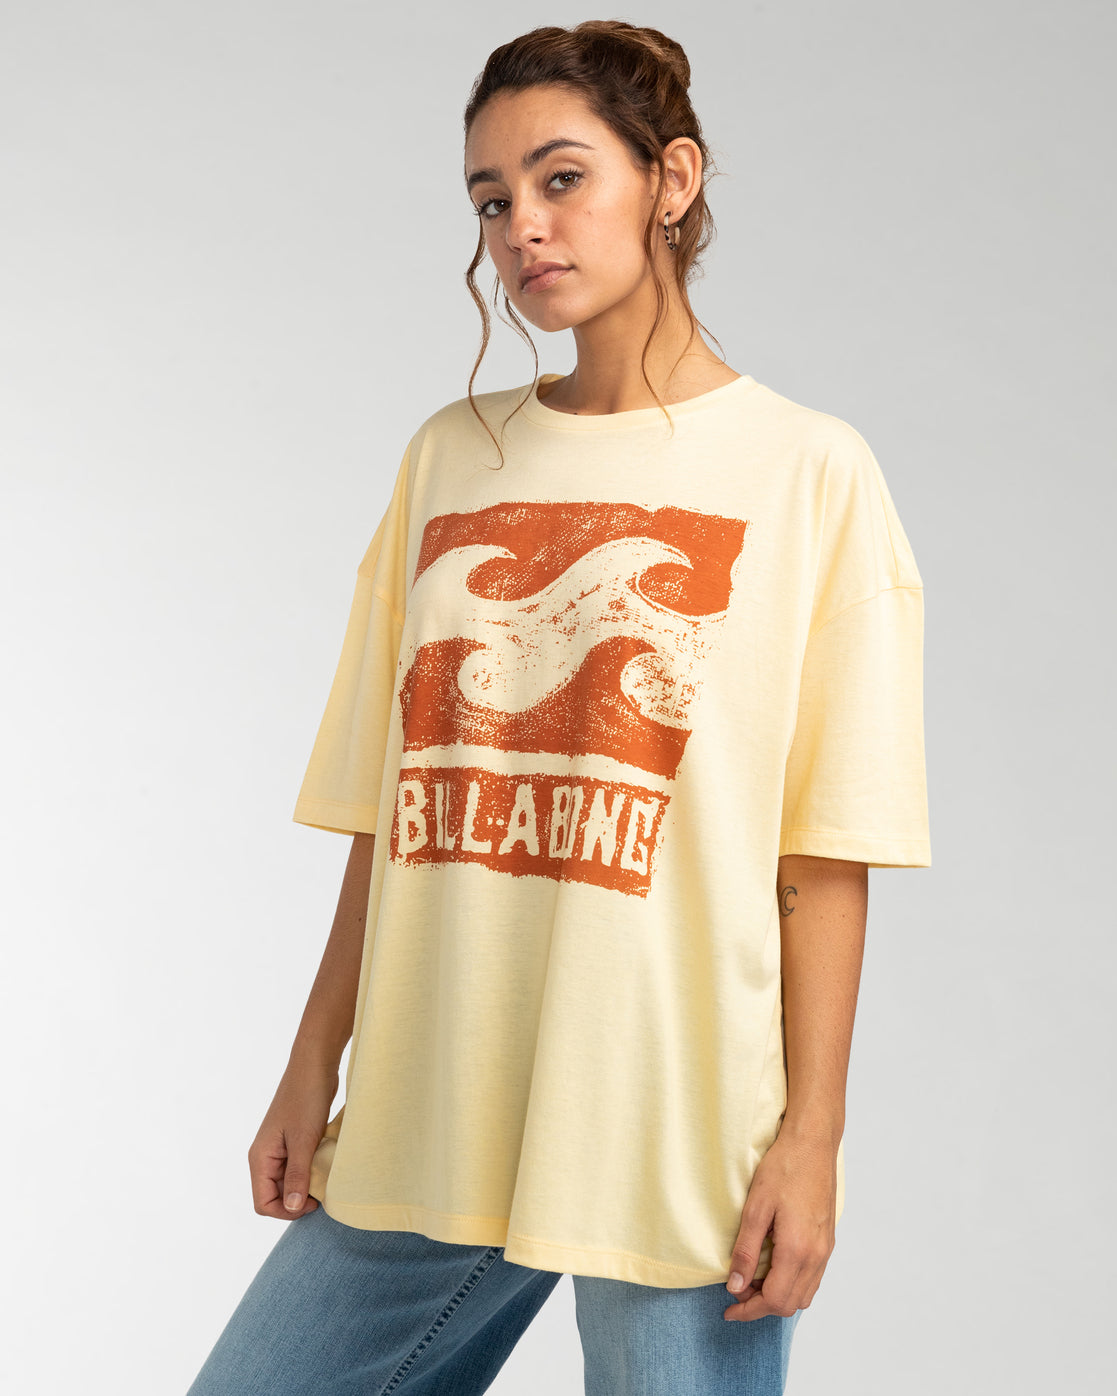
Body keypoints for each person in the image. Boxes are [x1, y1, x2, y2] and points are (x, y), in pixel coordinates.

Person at [187, 19, 930, 1396]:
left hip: (669, 1121)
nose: (521, 225)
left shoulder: (808, 473)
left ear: (672, 180)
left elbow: (821, 855)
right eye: (490, 198)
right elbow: (392, 808)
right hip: (433, 1100)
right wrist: (312, 1060)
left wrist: (811, 1138)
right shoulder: (449, 458)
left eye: (561, 178)